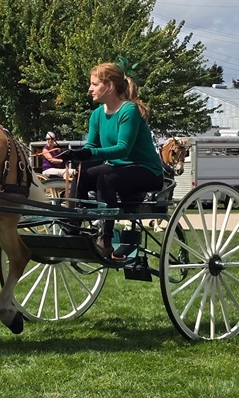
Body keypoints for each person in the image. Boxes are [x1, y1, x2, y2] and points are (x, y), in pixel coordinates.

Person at [57, 61, 164, 260]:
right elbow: (91, 148)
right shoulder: (97, 114)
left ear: (110, 86)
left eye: (94, 84)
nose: (90, 89)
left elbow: (123, 149)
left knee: (105, 176)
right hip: (118, 170)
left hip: (147, 171)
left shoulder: (129, 111)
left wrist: (89, 154)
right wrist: (76, 154)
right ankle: (71, 228)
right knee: (84, 172)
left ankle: (104, 239)